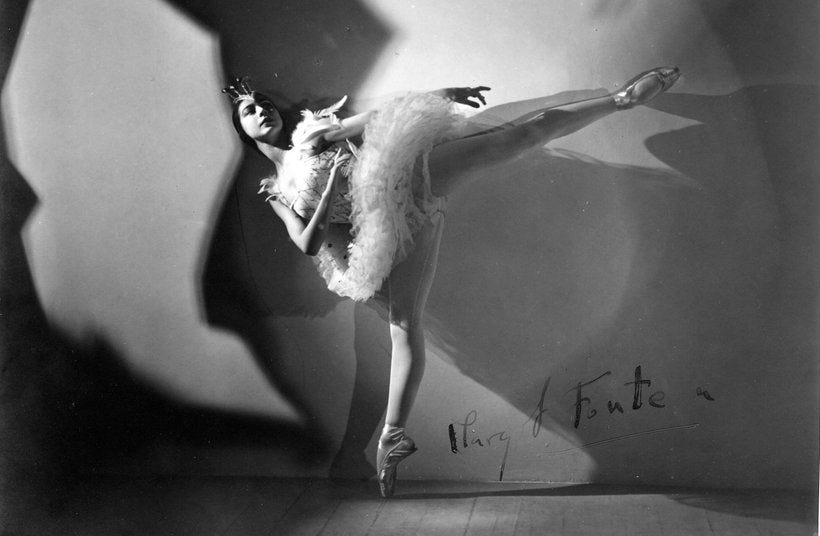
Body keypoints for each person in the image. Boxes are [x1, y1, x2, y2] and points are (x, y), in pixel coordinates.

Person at [223, 66, 680, 496]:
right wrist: (326, 196)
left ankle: (621, 99)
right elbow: (308, 242)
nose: (261, 110)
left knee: (515, 137)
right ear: (243, 131)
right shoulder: (275, 191)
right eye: (249, 110)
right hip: (384, 232)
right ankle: (392, 436)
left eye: (264, 103)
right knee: (403, 326)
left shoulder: (311, 134)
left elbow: (381, 114)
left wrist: (447, 95)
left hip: (401, 179)